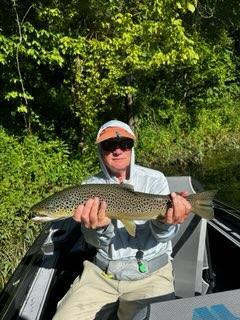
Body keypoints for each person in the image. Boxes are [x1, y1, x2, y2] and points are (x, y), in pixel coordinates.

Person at [53, 120, 192, 320]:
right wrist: (100, 229)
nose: (118, 150)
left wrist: (167, 222)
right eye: (109, 145)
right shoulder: (89, 186)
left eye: (125, 144)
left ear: (132, 148)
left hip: (151, 275)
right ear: (100, 150)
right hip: (101, 275)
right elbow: (92, 242)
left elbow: (163, 237)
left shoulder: (155, 179)